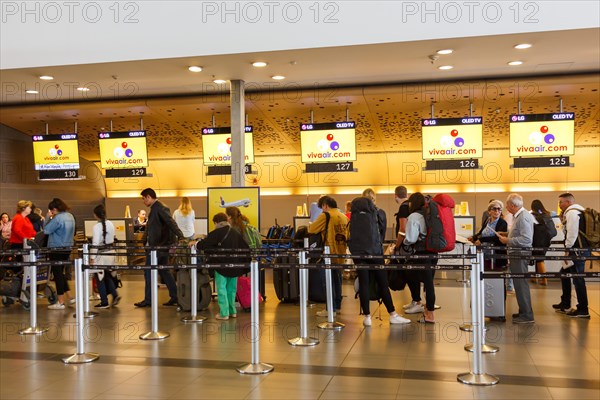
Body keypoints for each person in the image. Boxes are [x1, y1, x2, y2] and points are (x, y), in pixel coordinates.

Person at [351, 194, 410, 327]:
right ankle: (393, 314)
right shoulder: (379, 213)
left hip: (358, 254)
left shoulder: (354, 215)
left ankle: (367, 317)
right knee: (383, 282)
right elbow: (381, 234)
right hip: (375, 252)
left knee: (364, 283)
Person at [134, 188, 185, 308]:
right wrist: (143, 240)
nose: (143, 201)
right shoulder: (155, 208)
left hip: (158, 247)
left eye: (143, 198)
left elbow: (170, 222)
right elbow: (151, 227)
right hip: (160, 246)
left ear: (148, 197)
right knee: (164, 271)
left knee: (148, 271)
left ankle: (148, 299)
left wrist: (180, 235)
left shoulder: (160, 207)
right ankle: (175, 296)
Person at [196, 212, 249, 320]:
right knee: (231, 289)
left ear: (216, 222)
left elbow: (203, 245)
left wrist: (195, 243)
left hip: (220, 266)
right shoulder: (235, 232)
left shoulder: (216, 233)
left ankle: (224, 313)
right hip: (235, 266)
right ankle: (232, 311)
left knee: (222, 289)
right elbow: (245, 247)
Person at [497, 193, 535, 324]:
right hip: (517, 253)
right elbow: (519, 233)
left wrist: (508, 240)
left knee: (521, 284)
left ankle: (527, 315)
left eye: (507, 205)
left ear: (513, 205)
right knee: (519, 285)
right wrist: (507, 234)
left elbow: (526, 239)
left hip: (520, 254)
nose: (506, 208)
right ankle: (523, 311)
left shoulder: (523, 217)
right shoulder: (519, 216)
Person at [308, 195, 349, 316]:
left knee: (328, 281)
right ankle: (337, 306)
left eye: (322, 207)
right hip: (341, 252)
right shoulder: (343, 216)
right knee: (338, 280)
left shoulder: (326, 215)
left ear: (325, 205)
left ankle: (330, 309)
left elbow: (312, 229)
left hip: (329, 252)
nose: (322, 210)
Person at [402, 192, 438, 323]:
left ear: (413, 203)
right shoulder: (429, 214)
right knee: (429, 283)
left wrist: (403, 242)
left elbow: (411, 238)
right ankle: (428, 312)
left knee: (411, 276)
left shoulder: (414, 216)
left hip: (421, 253)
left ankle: (427, 312)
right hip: (433, 252)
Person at [553, 193, 590, 318]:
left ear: (568, 202)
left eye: (561, 202)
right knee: (564, 273)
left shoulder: (572, 213)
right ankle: (565, 303)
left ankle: (583, 309)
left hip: (576, 250)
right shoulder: (579, 211)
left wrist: (567, 249)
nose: (559, 205)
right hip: (580, 249)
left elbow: (572, 233)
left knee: (578, 279)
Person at [44, 198, 76, 310]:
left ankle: (60, 302)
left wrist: (48, 217)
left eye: (52, 210)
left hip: (56, 248)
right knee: (61, 274)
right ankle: (70, 297)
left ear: (55, 209)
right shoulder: (70, 216)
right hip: (67, 247)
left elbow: (46, 230)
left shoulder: (57, 218)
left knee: (57, 275)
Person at [89, 205, 121, 309]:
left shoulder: (96, 227)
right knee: (107, 275)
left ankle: (104, 301)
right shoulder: (111, 223)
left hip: (101, 255)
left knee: (99, 278)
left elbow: (95, 243)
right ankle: (115, 294)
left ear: (95, 215)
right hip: (111, 253)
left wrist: (92, 257)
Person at [470, 200, 508, 271]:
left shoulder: (502, 223)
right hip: (485, 253)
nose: (497, 211)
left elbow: (497, 238)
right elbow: (481, 232)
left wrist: (481, 240)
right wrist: (473, 237)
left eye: (499, 209)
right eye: (494, 209)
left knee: (494, 277)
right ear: (489, 211)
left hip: (496, 255)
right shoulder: (487, 221)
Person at [530, 199, 555, 286]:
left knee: (539, 260)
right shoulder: (547, 214)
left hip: (538, 241)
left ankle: (544, 279)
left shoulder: (534, 216)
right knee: (538, 259)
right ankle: (535, 277)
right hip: (546, 241)